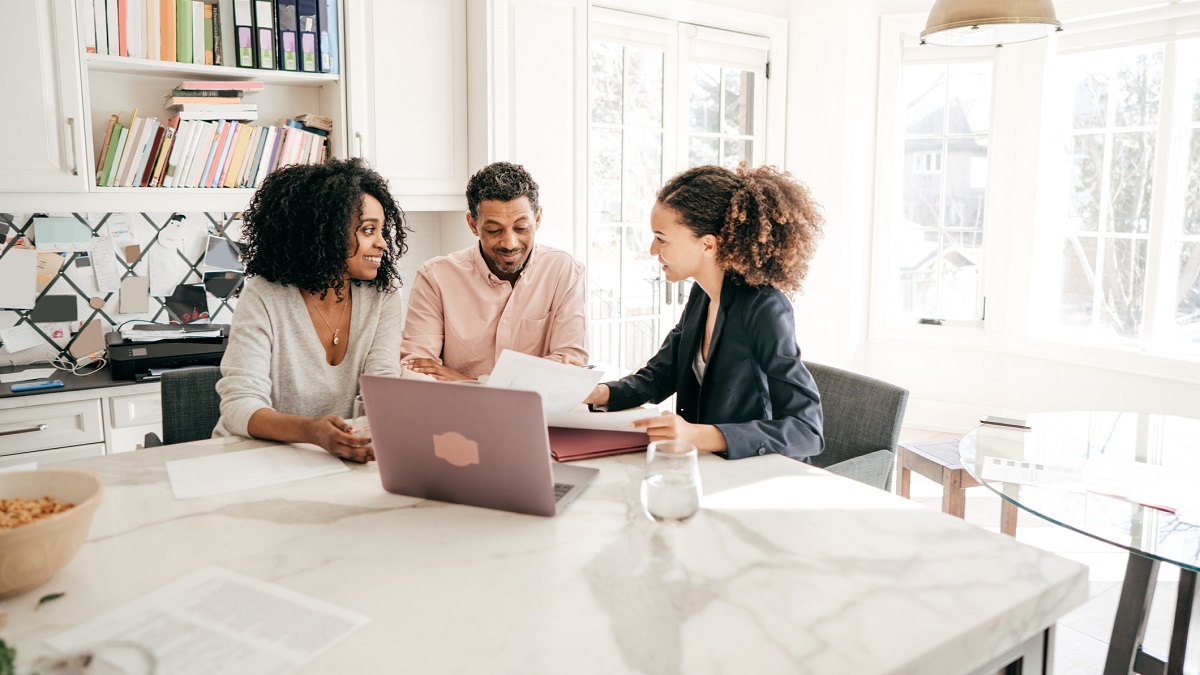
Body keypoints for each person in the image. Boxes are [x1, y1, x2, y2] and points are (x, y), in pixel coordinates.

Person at [583, 164, 825, 462]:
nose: (651, 249)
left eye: (661, 238)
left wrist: (697, 435)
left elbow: (807, 430)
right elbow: (660, 376)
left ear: (708, 244)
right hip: (708, 466)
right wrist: (596, 393)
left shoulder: (764, 308)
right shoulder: (702, 294)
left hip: (757, 471)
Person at [213, 157, 408, 462]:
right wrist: (312, 432)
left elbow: (382, 386)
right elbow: (239, 405)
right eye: (369, 230)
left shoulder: (382, 296)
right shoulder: (265, 296)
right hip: (255, 458)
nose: (383, 243)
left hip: (337, 456)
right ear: (327, 232)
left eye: (383, 231)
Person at [400, 161, 587, 380]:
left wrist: (469, 381)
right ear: (472, 224)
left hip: (537, 413)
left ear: (537, 219)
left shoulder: (565, 272)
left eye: (521, 228)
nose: (510, 243)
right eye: (494, 230)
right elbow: (416, 370)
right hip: (457, 413)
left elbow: (570, 365)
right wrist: (533, 376)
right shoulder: (435, 278)